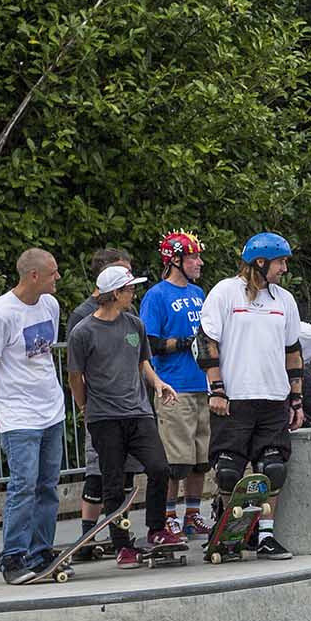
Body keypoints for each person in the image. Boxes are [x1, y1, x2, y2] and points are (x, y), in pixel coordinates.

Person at [199, 232, 307, 557]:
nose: (284, 268)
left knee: (273, 468)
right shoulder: (225, 293)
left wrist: (297, 398)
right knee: (230, 472)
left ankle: (264, 537)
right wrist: (216, 389)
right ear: (260, 263)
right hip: (234, 398)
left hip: (274, 397)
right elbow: (204, 341)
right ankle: (227, 531)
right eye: (280, 261)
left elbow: (293, 351)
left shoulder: (283, 300)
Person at [66, 263, 182, 567]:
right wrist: (84, 407)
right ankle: (123, 546)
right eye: (129, 289)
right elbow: (75, 376)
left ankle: (156, 529)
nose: (133, 293)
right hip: (105, 418)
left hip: (138, 411)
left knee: (159, 468)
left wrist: (158, 383)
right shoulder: (83, 332)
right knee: (113, 483)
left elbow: (143, 361)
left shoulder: (135, 325)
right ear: (115, 293)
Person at [0, 248, 67, 582]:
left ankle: (41, 551)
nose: (59, 278)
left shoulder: (50, 306)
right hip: (17, 413)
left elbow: (43, 354)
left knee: (47, 485)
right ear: (34, 276)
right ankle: (13, 556)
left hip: (50, 408)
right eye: (53, 273)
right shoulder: (1, 314)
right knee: (23, 484)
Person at [142, 230, 213, 537]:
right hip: (174, 386)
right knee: (176, 462)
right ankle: (169, 515)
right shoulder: (157, 295)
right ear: (175, 260)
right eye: (193, 256)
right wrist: (184, 342)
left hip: (202, 384)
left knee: (200, 460)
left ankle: (193, 515)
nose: (199, 262)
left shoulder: (199, 293)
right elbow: (150, 343)